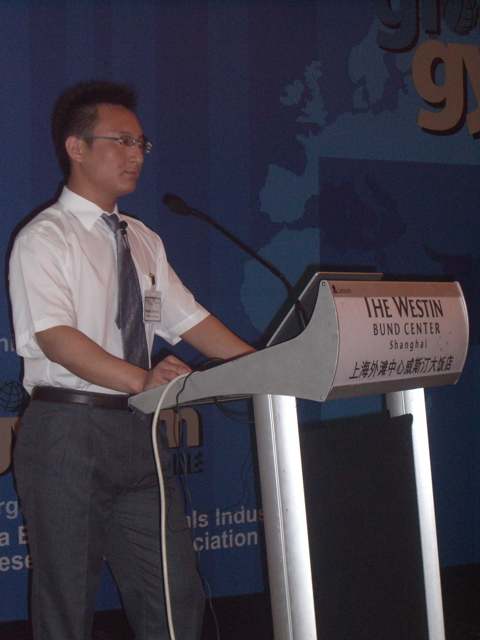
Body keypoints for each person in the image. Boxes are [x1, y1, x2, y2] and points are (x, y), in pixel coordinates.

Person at [9, 79, 254, 640]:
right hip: (67, 431)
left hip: (138, 434)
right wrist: (143, 379)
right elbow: (56, 338)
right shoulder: (44, 238)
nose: (137, 154)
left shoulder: (142, 238)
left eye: (142, 143)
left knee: (173, 595)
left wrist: (264, 364)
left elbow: (189, 320)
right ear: (76, 147)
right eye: (122, 141)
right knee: (66, 608)